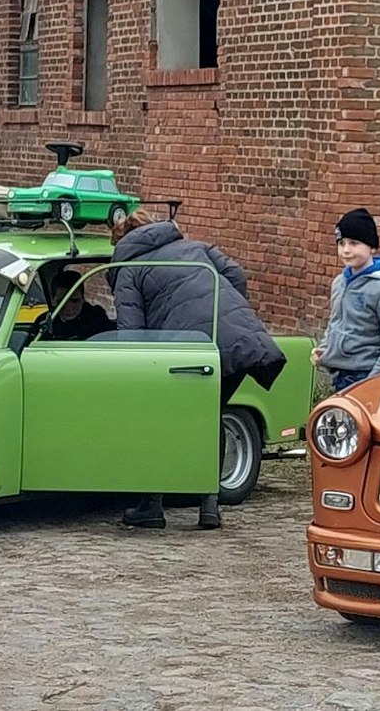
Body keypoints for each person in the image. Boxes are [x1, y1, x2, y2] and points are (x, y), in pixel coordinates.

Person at [110, 209, 285, 530]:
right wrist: (221, 316)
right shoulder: (196, 247)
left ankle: (152, 505)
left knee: (160, 424)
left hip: (184, 353)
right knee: (210, 418)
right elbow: (237, 277)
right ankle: (209, 506)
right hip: (238, 343)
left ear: (121, 241)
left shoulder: (128, 268)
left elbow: (131, 331)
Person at [312, 208, 380, 395]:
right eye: (341, 243)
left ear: (371, 247)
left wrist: (371, 382)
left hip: (364, 377)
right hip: (338, 375)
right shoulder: (339, 283)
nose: (346, 250)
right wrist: (324, 349)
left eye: (354, 243)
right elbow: (335, 323)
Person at [44, 269, 115, 341]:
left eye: (75, 301)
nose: (69, 307)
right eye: (62, 301)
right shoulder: (45, 323)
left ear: (83, 299)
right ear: (53, 301)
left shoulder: (97, 319)